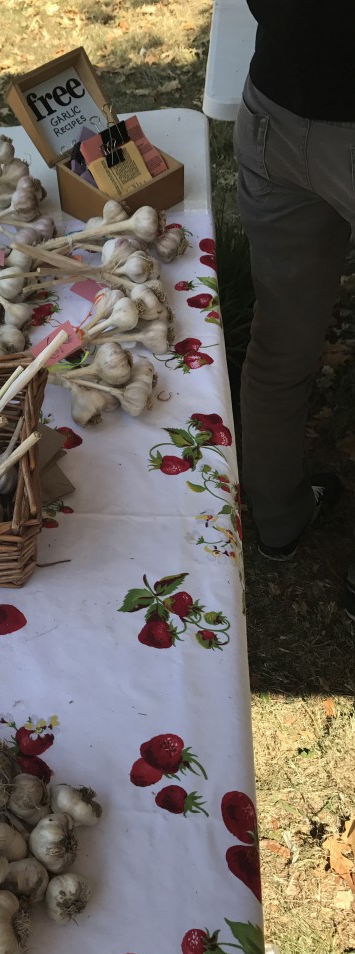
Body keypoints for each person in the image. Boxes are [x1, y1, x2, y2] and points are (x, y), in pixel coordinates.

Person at [232, 2, 355, 615]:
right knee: (280, 346)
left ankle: (277, 519)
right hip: (290, 104)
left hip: (275, 107)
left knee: (280, 344)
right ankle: (279, 516)